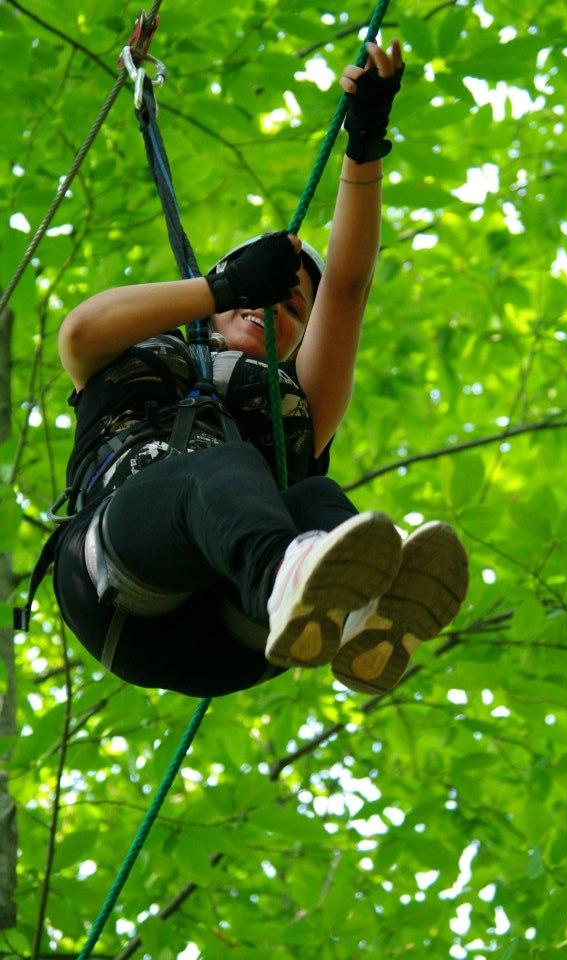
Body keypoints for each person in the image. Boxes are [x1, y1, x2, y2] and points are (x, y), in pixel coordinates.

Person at [52, 40, 469, 699]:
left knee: (315, 500)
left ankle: (358, 616)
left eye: (289, 309)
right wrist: (220, 286)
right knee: (222, 469)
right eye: (255, 293)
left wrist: (365, 145)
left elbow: (348, 290)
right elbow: (79, 328)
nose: (269, 307)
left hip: (239, 638)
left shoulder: (294, 403)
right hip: (117, 585)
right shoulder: (127, 358)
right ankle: (291, 570)